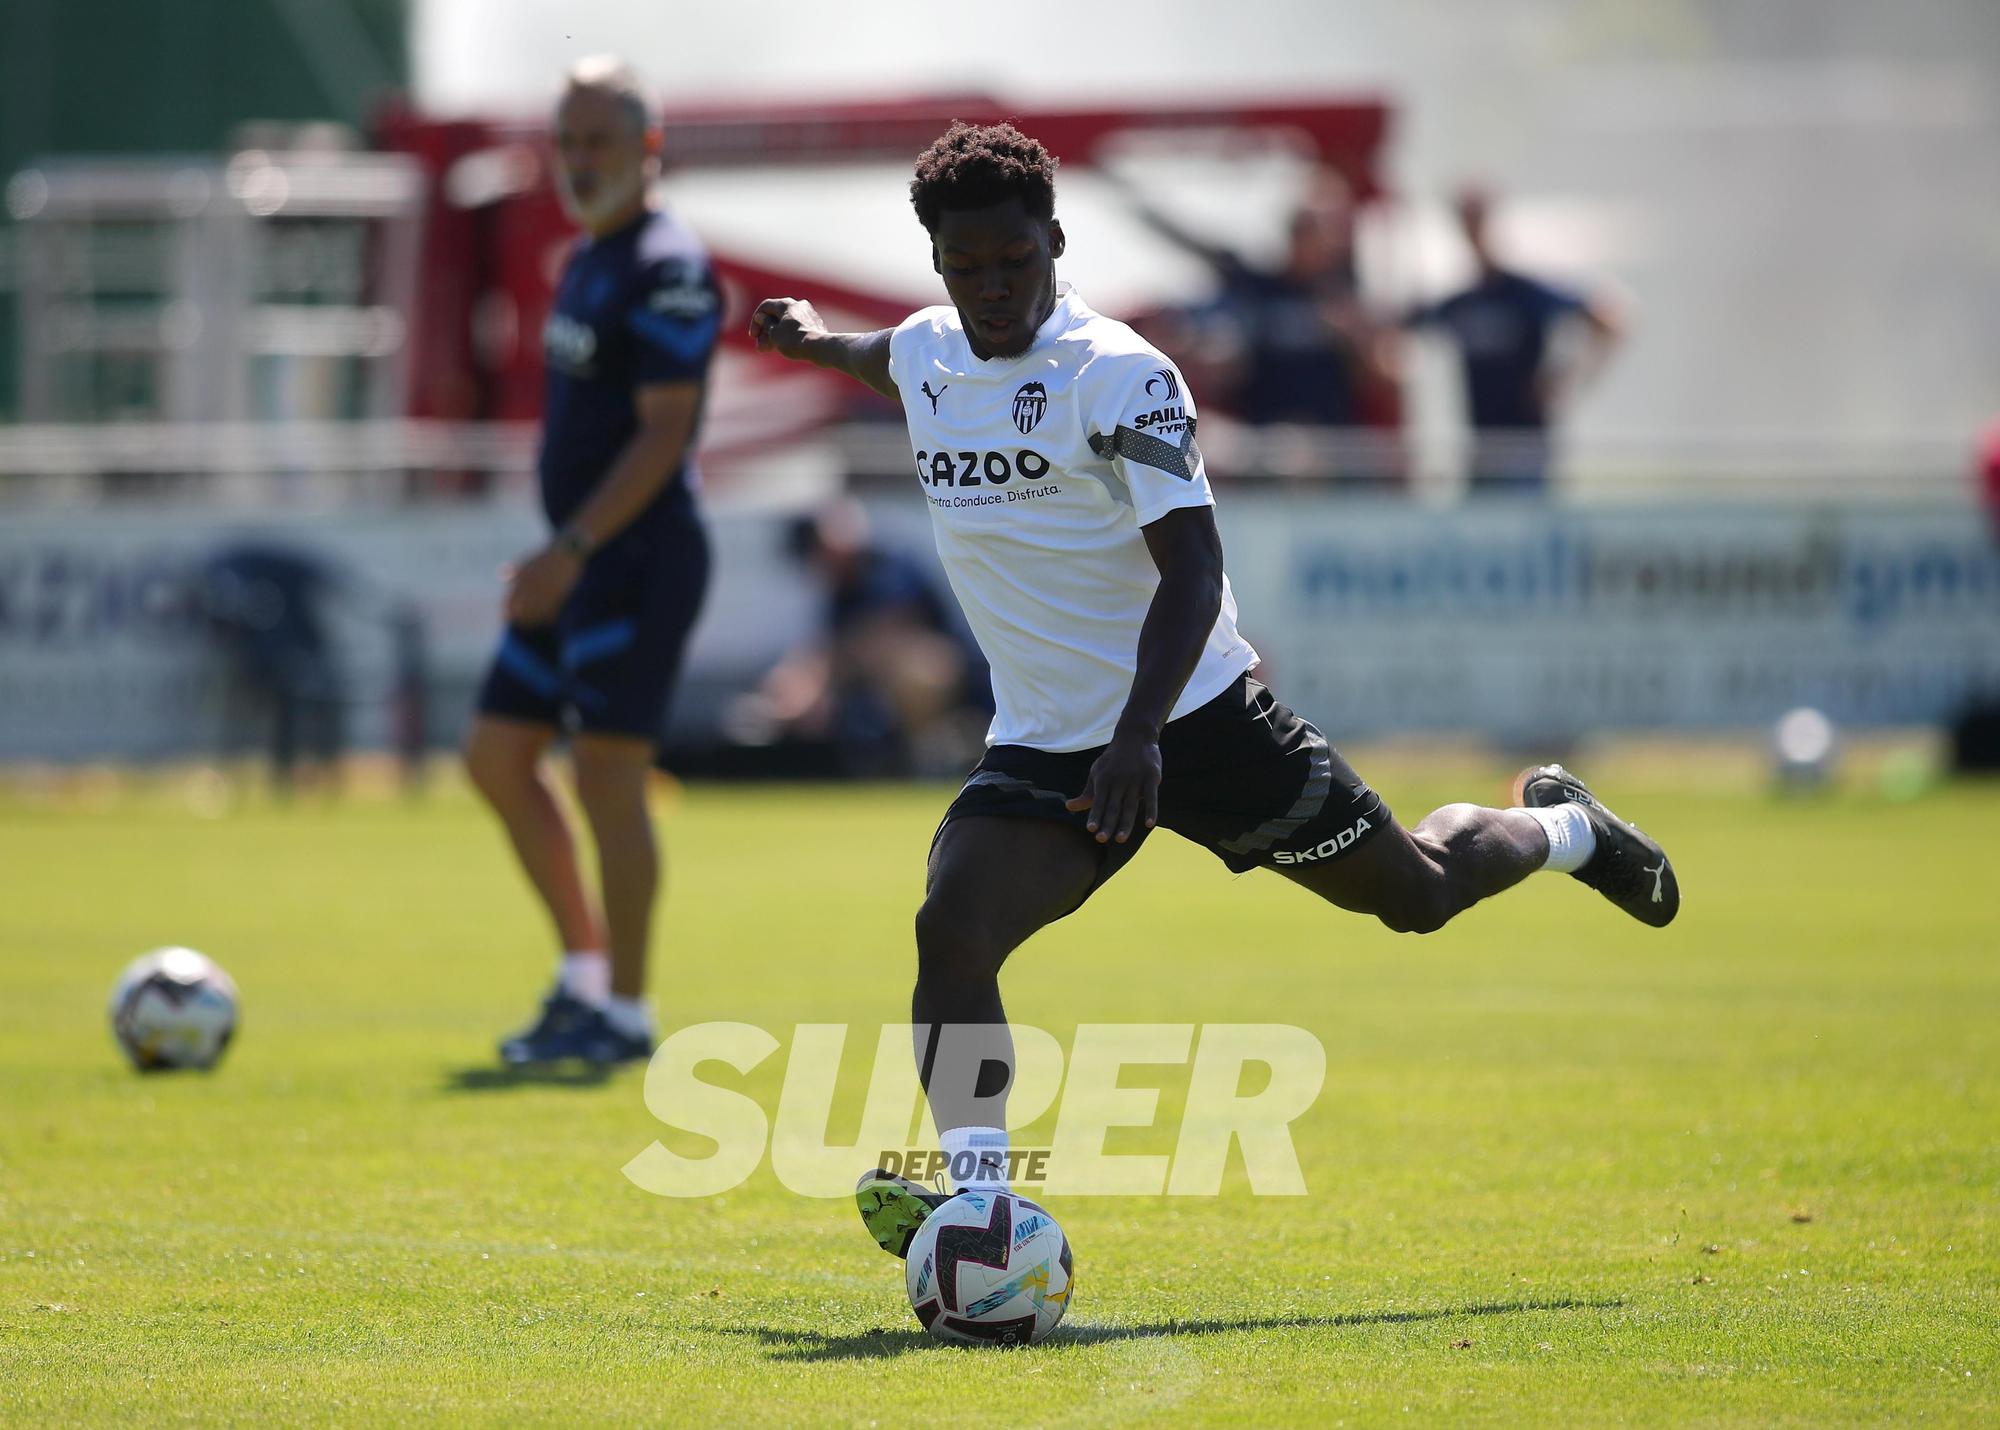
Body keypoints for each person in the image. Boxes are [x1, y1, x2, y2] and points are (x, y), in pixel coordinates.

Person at [748, 122, 1679, 1259]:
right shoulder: (925, 351)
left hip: (1195, 722)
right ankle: (981, 1206)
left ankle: (1565, 826)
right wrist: (801, 337)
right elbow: (868, 354)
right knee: (952, 924)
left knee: (1419, 893)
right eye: (965, 265)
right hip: (1048, 744)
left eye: (1013, 259)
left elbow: (1193, 568)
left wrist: (1139, 732)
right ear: (936, 262)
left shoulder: (1119, 372)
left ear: (1053, 238)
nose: (992, 285)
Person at [464, 58, 719, 1067]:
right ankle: (581, 973)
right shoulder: (590, 256)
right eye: (566, 142)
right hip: (571, 561)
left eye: (598, 142)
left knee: (608, 773)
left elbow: (665, 436)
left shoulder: (667, 264)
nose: (578, 161)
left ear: (648, 149)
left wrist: (568, 550)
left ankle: (622, 1012)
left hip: (635, 560)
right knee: (495, 755)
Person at [1404, 185, 1625, 493]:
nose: (1472, 229)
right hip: (1481, 446)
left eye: (1478, 218)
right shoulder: (1460, 303)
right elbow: (1400, 332)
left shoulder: (1526, 294)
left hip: (1525, 446)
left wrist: (1569, 377)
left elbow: (1610, 318)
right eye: (1465, 220)